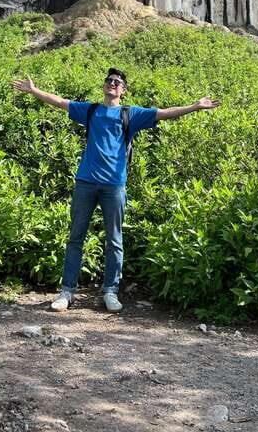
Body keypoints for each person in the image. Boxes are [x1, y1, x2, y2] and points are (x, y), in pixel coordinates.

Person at [12, 68, 220, 313]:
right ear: (104, 86)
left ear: (123, 90)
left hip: (114, 186)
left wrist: (194, 106)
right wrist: (34, 90)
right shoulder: (90, 110)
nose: (112, 84)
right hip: (85, 183)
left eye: (117, 82)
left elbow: (164, 113)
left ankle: (110, 291)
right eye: (109, 81)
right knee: (75, 238)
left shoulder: (130, 114)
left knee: (114, 240)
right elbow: (59, 102)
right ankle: (67, 292)